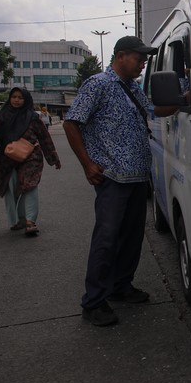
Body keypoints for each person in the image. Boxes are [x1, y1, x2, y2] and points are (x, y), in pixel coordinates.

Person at [63, 36, 183, 327]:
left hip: (138, 176)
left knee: (131, 237)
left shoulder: (132, 88)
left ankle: (120, 286)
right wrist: (87, 164)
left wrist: (185, 99)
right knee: (106, 239)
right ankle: (93, 302)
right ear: (120, 56)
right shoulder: (98, 84)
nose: (143, 64)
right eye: (139, 59)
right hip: (113, 177)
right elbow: (71, 122)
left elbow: (154, 110)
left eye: (144, 59)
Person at [0, 87, 62, 236]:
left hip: (31, 157)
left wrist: (53, 158)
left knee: (29, 185)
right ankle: (18, 220)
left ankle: (30, 221)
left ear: (26, 100)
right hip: (8, 158)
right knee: (11, 188)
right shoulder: (2, 116)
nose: (16, 100)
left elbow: (44, 138)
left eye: (20, 98)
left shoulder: (33, 117)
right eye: (14, 97)